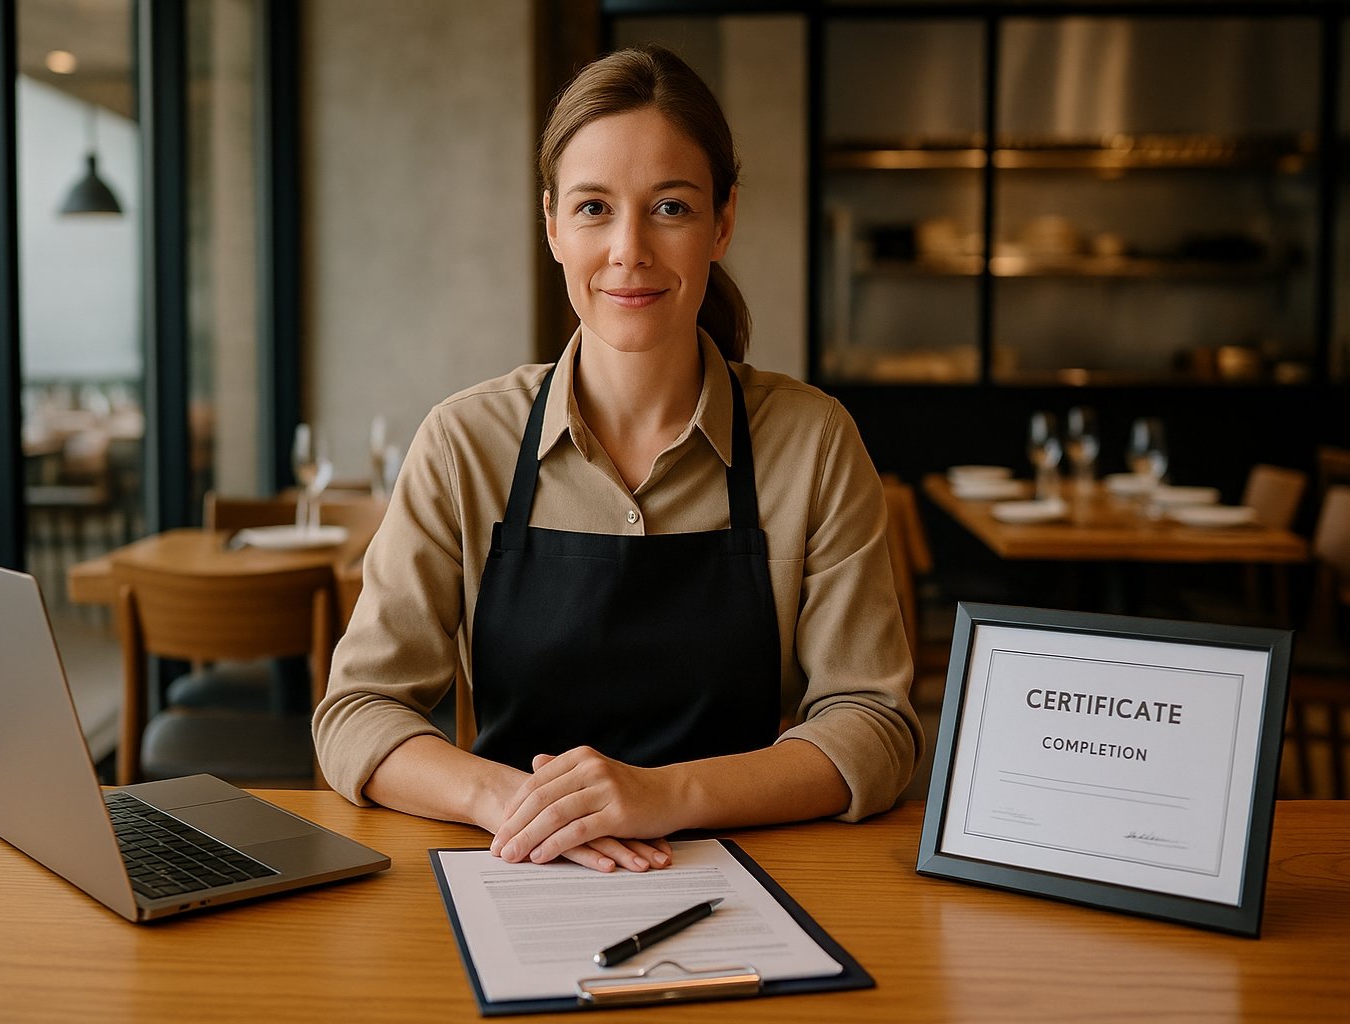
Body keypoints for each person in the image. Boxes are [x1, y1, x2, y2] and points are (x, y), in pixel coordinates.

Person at [312, 44, 921, 874]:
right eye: (595, 208)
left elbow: (875, 727)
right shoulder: (463, 444)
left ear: (723, 222)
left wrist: (665, 795)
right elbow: (357, 713)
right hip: (517, 871)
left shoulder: (813, 443)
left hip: (751, 883)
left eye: (670, 207)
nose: (630, 249)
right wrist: (521, 805)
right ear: (553, 226)